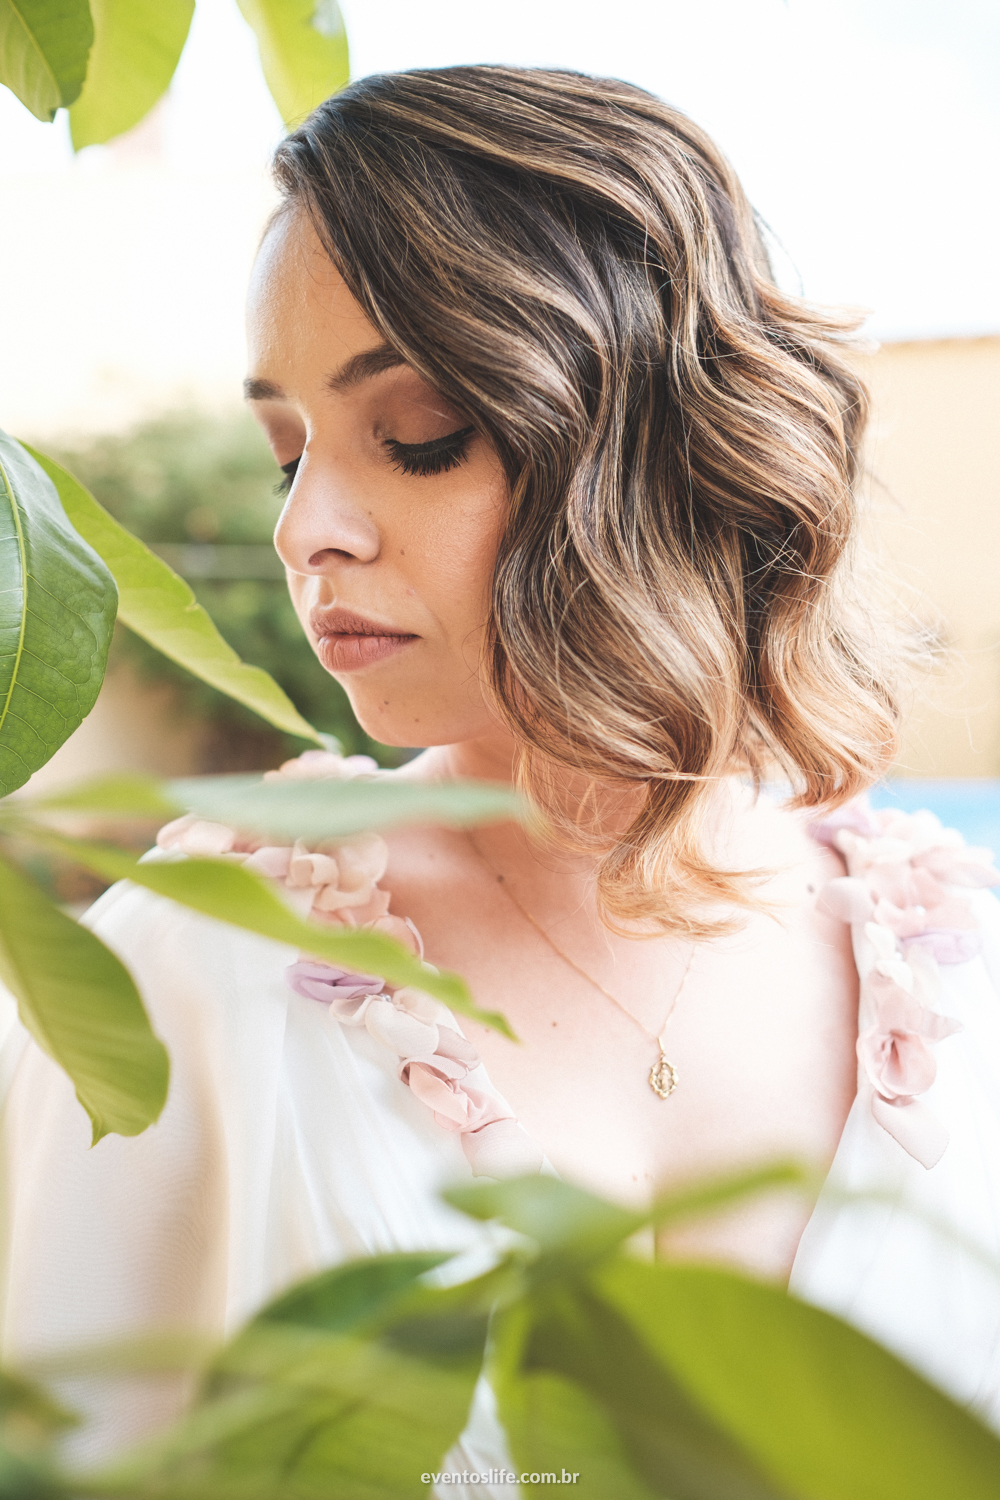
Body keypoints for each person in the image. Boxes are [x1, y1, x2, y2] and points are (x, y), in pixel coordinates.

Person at [3, 66, 1000, 1488]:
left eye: (412, 437)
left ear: (653, 445)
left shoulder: (959, 985)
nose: (307, 531)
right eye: (285, 450)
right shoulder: (208, 960)